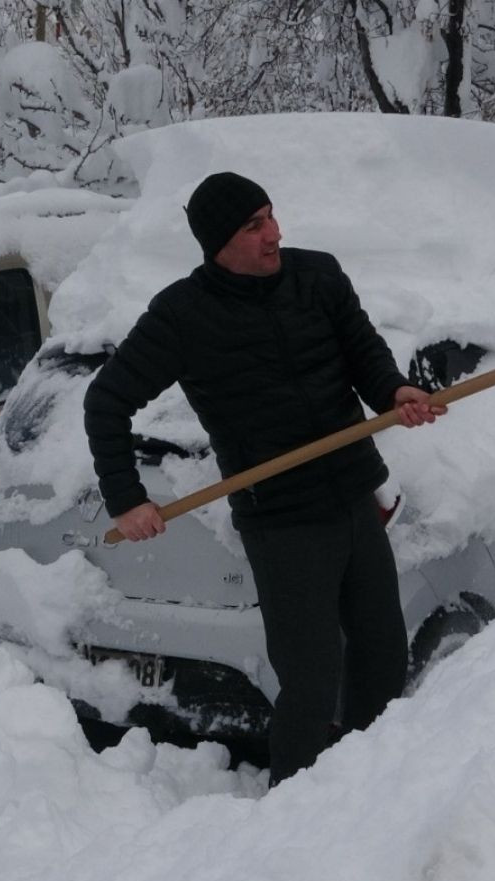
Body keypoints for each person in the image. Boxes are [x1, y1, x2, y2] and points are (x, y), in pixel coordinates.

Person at [83, 171, 444, 785]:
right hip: (282, 520)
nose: (274, 233)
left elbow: (362, 349)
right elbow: (106, 401)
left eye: (272, 216)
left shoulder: (318, 275)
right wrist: (126, 499)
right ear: (218, 241)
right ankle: (294, 812)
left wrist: (393, 389)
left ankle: (370, 786)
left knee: (383, 658)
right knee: (310, 680)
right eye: (254, 226)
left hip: (354, 494)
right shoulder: (182, 316)